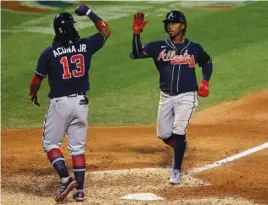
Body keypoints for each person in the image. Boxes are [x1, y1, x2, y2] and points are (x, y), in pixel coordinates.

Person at [29, 4, 111, 202]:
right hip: (81, 104)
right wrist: (90, 12)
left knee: (50, 143)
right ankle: (80, 191)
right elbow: (105, 30)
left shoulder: (48, 53)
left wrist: (33, 94)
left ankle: (66, 179)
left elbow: (36, 81)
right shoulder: (86, 45)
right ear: (73, 27)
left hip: (60, 104)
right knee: (78, 148)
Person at [130, 11, 213, 184]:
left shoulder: (194, 48)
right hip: (166, 96)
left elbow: (207, 62)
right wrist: (136, 33)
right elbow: (137, 53)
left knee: (178, 131)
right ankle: (180, 146)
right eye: (168, 23)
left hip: (187, 96)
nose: (170, 25)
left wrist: (205, 81)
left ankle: (176, 170)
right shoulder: (158, 46)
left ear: (182, 25)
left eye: (174, 22)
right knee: (164, 134)